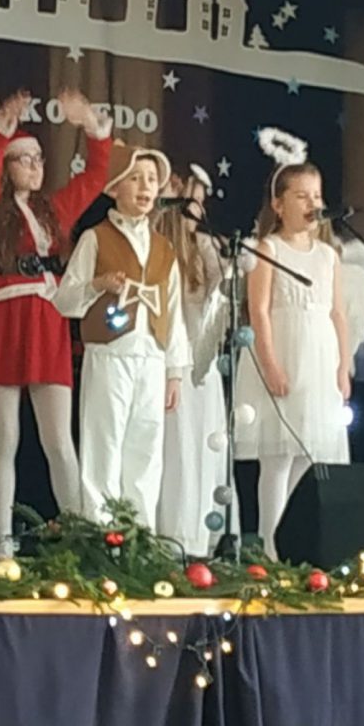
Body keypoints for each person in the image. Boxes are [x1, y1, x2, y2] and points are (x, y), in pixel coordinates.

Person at [0, 89, 112, 561]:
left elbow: (96, 177)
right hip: (3, 318)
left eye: (39, 159)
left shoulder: (56, 210)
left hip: (46, 318)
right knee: (4, 437)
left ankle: (77, 538)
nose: (34, 166)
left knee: (59, 440)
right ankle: (3, 541)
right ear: (8, 167)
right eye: (23, 159)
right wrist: (1, 130)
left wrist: (90, 125)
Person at [53, 143, 190, 531]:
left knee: (146, 449)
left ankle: (139, 535)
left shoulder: (164, 248)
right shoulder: (96, 238)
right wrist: (97, 285)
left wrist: (175, 371)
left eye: (152, 179)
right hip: (110, 354)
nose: (146, 187)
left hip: (151, 358)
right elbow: (64, 300)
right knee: (104, 445)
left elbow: (174, 311)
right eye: (135, 178)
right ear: (114, 187)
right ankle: (101, 534)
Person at [235, 147, 351, 560]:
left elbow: (337, 313)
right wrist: (270, 365)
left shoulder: (328, 256)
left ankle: (295, 546)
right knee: (278, 457)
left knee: (308, 456)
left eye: (316, 195)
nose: (312, 203)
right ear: (279, 204)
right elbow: (259, 311)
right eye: (301, 196)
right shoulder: (268, 249)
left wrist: (344, 367)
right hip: (285, 355)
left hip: (320, 359)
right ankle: (269, 549)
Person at [156, 165, 231, 556]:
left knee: (203, 450)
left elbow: (222, 291)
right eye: (191, 201)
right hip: (171, 364)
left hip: (202, 366)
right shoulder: (160, 249)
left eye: (201, 203)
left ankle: (201, 538)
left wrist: (215, 251)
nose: (198, 211)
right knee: (177, 451)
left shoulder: (204, 249)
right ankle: (172, 537)